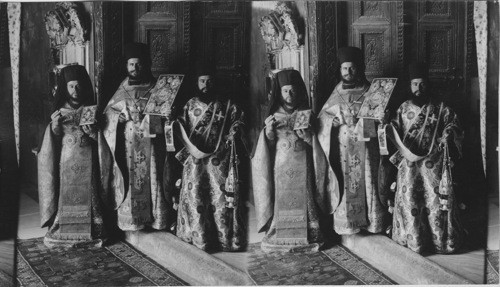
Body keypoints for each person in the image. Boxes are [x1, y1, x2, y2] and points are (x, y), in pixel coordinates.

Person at [252, 69, 338, 252]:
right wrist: (268, 132)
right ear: (279, 92)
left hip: (303, 164)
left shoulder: (307, 114)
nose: (289, 95)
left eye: (292, 90)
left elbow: (319, 141)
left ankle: (309, 233)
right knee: (281, 197)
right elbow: (266, 146)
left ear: (298, 90)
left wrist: (309, 137)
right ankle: (280, 231)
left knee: (305, 195)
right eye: (285, 91)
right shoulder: (273, 115)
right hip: (280, 165)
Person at [387, 62, 464, 254]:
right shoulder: (403, 108)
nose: (418, 89)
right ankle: (414, 242)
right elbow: (393, 131)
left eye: (421, 84)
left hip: (434, 164)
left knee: (435, 202)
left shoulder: (440, 108)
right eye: (414, 84)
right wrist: (385, 123)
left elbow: (453, 124)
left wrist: (448, 133)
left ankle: (439, 242)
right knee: (410, 200)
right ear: (410, 86)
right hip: (410, 165)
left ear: (427, 84)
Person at [173, 63, 247, 251]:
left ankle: (223, 238)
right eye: (202, 81)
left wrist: (235, 129)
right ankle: (199, 238)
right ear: (197, 83)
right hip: (195, 161)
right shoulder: (189, 105)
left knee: (220, 198)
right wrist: (170, 121)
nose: (206, 84)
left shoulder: (226, 104)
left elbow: (238, 119)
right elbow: (179, 127)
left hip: (219, 159)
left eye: (209, 81)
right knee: (196, 196)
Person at [317, 47, 387, 235]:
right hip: (344, 148)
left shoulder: (372, 91)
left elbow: (379, 119)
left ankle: (372, 222)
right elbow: (322, 119)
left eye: (353, 68)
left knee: (368, 180)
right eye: (345, 69)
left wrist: (377, 120)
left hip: (366, 145)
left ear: (360, 69)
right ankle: (350, 225)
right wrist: (333, 121)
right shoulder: (336, 92)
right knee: (348, 183)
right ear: (340, 70)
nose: (349, 72)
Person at [100, 42, 169, 231]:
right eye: (131, 64)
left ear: (145, 65)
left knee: (152, 176)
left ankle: (155, 218)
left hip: (151, 141)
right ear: (127, 66)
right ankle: (133, 219)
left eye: (138, 64)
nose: (135, 68)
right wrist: (118, 117)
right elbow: (108, 114)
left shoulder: (158, 88)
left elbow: (165, 114)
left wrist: (155, 116)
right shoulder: (122, 88)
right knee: (132, 177)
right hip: (129, 143)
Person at [38, 65, 107, 247]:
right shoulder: (59, 111)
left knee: (90, 193)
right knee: (66, 194)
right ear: (65, 87)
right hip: (66, 160)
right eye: (71, 86)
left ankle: (93, 229)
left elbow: (101, 139)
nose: (75, 91)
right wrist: (54, 126)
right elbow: (52, 140)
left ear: (84, 85)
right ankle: (65, 230)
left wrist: (93, 132)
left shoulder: (92, 109)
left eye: (78, 86)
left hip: (88, 159)